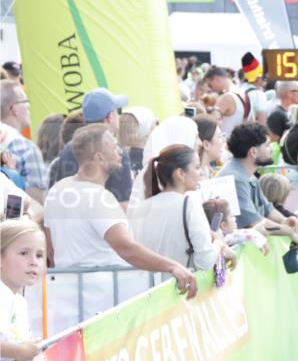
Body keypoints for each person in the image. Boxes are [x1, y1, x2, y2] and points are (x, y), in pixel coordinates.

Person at [44, 125, 199, 324]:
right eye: (115, 146)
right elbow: (126, 248)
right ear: (99, 157)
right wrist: (172, 266)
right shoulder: (99, 197)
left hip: (70, 303)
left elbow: (51, 249)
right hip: (103, 306)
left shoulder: (57, 190)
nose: (121, 151)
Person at [130, 145, 236, 272]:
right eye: (196, 167)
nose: (201, 172)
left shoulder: (142, 207)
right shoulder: (189, 204)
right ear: (180, 173)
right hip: (181, 287)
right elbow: (205, 262)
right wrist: (219, 244)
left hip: (147, 288)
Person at [215, 122, 298, 244]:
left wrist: (285, 220)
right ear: (253, 152)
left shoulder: (247, 173)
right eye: (267, 145)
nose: (271, 148)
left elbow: (268, 209)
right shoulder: (236, 179)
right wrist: (289, 231)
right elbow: (255, 223)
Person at [50, 87, 134, 206]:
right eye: (117, 111)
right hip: (106, 222)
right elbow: (123, 206)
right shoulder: (116, 151)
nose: (119, 117)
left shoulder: (68, 149)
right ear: (110, 117)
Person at [0, 219, 45, 361]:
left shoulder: (19, 302)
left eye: (39, 255)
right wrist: (19, 351)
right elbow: (16, 350)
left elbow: (14, 345)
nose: (34, 262)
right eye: (24, 253)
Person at [0, 80, 46, 202]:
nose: (29, 106)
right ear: (14, 109)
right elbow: (37, 202)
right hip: (16, 218)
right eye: (25, 101)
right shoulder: (26, 149)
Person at [195, 114, 226, 180]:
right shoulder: (197, 178)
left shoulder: (207, 170)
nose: (223, 141)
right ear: (206, 144)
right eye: (219, 136)